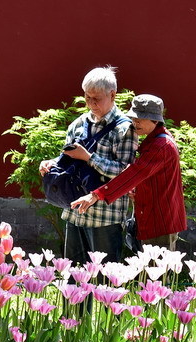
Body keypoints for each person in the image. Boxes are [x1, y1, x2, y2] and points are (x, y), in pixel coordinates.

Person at [38, 66, 136, 266]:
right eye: (87, 97)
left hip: (105, 217)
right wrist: (52, 163)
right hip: (74, 211)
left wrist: (90, 158)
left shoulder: (125, 128)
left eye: (96, 99)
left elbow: (126, 174)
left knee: (105, 279)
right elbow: (68, 159)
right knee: (73, 278)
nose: (91, 104)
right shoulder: (78, 124)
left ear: (112, 95)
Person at [70, 94, 186, 250]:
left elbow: (134, 174)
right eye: (133, 118)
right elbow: (148, 177)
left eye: (140, 119)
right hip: (151, 218)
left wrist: (96, 195)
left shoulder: (161, 145)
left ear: (155, 120)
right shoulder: (155, 140)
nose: (135, 123)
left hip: (159, 223)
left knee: (156, 266)